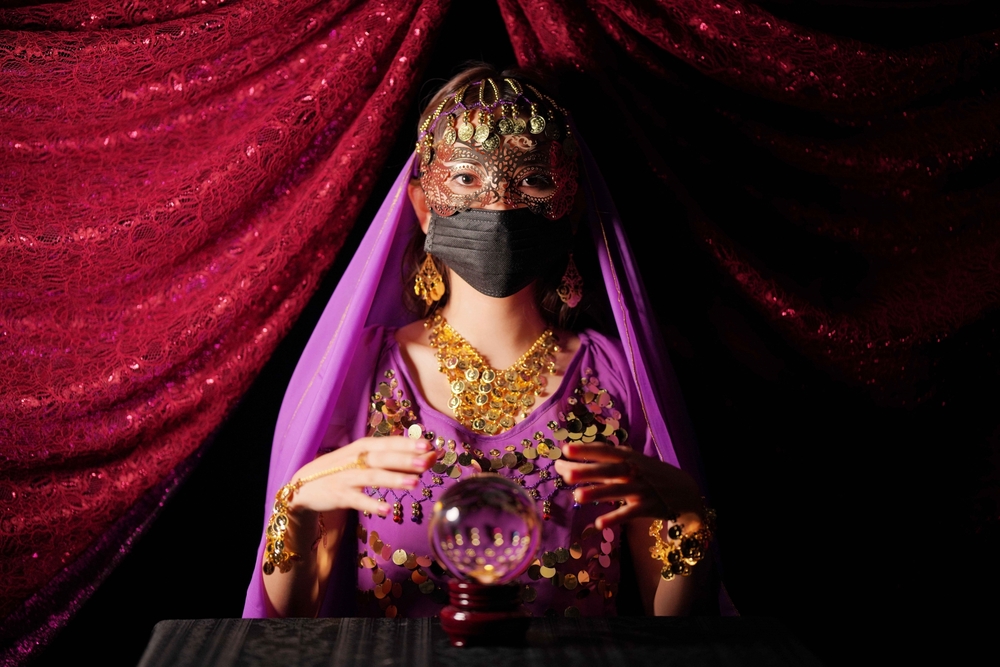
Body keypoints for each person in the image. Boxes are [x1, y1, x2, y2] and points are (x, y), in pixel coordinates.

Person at [243, 65, 719, 620]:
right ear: (424, 207)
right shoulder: (360, 370)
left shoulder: (615, 377)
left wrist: (690, 519)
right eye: (467, 178)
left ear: (569, 210)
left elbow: (676, 632)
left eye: (534, 181)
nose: (499, 206)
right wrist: (295, 506)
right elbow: (287, 626)